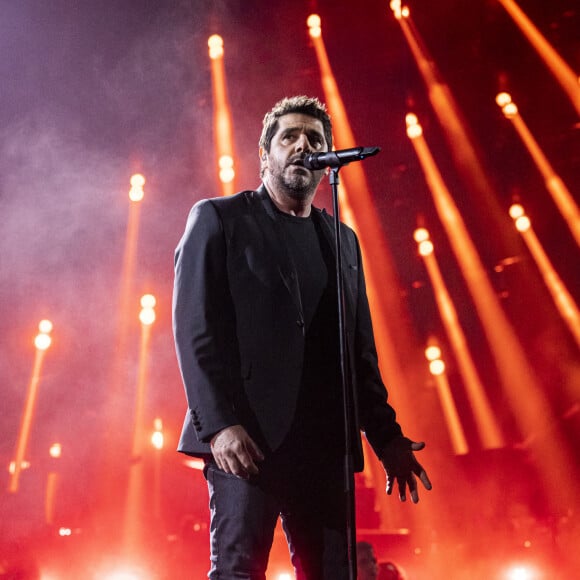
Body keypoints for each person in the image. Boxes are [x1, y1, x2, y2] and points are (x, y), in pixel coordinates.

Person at [172, 95, 432, 579]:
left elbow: (359, 352)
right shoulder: (219, 219)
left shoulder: (342, 239)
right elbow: (194, 331)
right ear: (264, 155)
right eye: (289, 137)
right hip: (248, 439)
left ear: (328, 158)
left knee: (334, 572)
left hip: (323, 444)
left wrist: (388, 439)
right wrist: (221, 425)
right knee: (239, 570)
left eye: (315, 139)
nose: (303, 146)